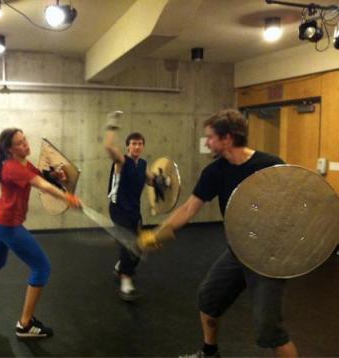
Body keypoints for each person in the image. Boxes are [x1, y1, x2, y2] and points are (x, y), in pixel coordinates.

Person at [139, 109, 298, 357]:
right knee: (209, 300)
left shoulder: (271, 165)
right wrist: (160, 233)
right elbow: (189, 208)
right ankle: (209, 353)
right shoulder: (215, 172)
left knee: (270, 332)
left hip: (269, 257)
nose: (208, 142)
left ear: (228, 138)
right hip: (238, 250)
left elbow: (293, 205)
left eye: (211, 137)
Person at [0, 128, 81, 339]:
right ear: (10, 150)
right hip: (8, 225)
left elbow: (39, 175)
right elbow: (41, 185)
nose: (26, 144)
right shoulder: (12, 167)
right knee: (42, 267)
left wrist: (55, 175)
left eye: (25, 139)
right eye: (20, 143)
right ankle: (25, 324)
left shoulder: (23, 164)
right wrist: (68, 198)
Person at [104, 111, 154, 301]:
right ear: (127, 147)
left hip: (134, 209)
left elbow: (151, 181)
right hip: (118, 209)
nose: (137, 146)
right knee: (128, 243)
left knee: (139, 244)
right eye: (133, 143)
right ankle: (126, 280)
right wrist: (112, 123)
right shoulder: (121, 161)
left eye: (140, 143)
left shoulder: (142, 164)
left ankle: (120, 266)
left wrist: (163, 181)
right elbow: (109, 146)